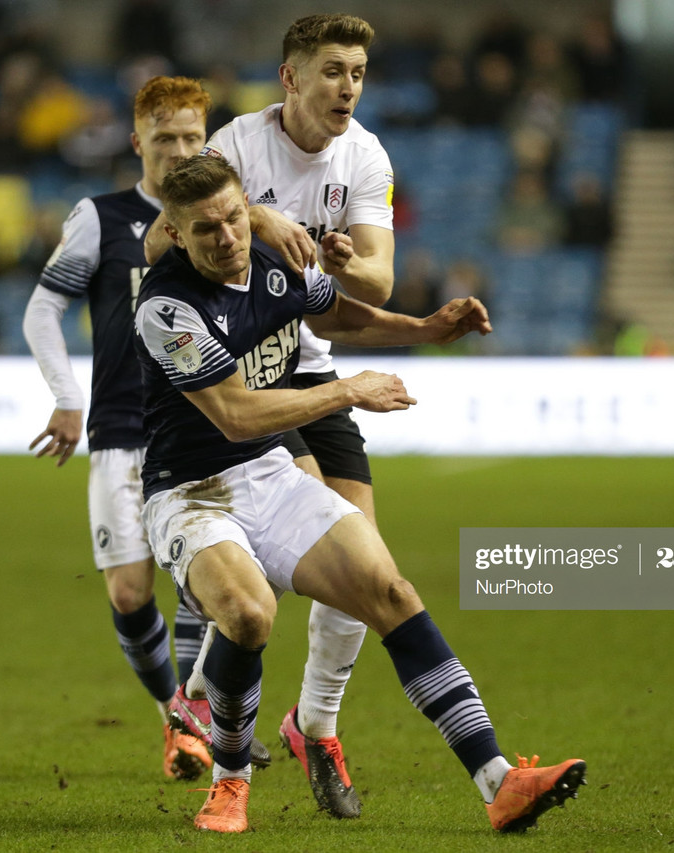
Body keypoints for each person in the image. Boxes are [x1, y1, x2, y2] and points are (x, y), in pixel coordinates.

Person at [137, 153, 585, 833]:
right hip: (191, 493)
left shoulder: (273, 261)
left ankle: (500, 780)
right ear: (175, 234)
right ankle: (230, 782)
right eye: (206, 230)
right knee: (251, 614)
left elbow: (338, 316)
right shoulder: (166, 306)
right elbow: (233, 413)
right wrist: (346, 390)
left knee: (392, 591)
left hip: (269, 473)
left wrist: (427, 329)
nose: (227, 236)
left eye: (234, 217)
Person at [144, 13, 393, 819]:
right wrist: (259, 216)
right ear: (292, 78)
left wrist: (354, 263)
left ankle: (311, 721)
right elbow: (160, 242)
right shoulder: (238, 146)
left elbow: (377, 286)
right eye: (332, 71)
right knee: (262, 569)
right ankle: (213, 704)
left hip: (315, 363)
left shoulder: (367, 156)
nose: (346, 87)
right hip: (260, 376)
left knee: (362, 567)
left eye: (356, 72)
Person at [22, 75, 267, 782]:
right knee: (130, 593)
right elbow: (44, 310)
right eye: (166, 139)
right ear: (139, 143)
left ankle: (206, 730)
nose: (180, 150)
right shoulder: (102, 218)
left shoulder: (220, 218)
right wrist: (68, 396)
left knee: (211, 591)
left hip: (198, 430)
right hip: (122, 429)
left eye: (193, 137)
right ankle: (175, 714)